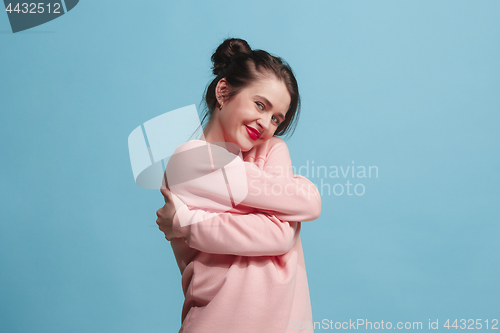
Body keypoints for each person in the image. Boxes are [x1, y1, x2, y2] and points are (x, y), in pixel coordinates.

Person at [156, 38, 321, 333]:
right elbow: (281, 233)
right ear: (223, 91)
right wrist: (290, 203)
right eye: (260, 104)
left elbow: (300, 213)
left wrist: (186, 222)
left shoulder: (271, 149)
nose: (265, 124)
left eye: (275, 119)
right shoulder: (190, 160)